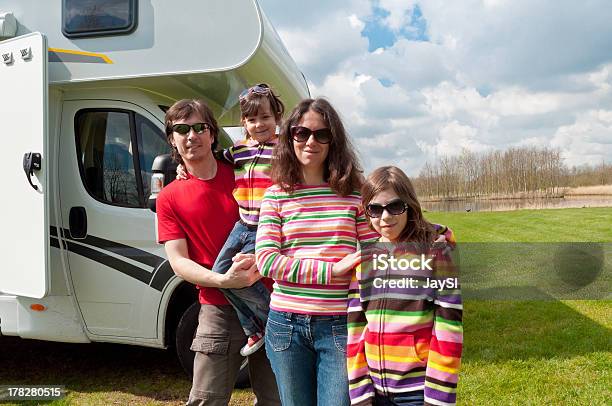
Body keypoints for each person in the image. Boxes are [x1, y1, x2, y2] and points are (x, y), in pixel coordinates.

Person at [156, 99, 281, 406]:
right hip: (217, 308)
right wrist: (224, 280)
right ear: (171, 138)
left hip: (274, 305)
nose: (191, 136)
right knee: (206, 400)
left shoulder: (246, 172)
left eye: (200, 127)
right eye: (181, 129)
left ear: (213, 134)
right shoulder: (169, 197)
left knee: (277, 400)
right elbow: (178, 261)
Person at [177, 83, 284, 356]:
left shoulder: (285, 151)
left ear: (277, 118)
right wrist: (181, 166)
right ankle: (257, 328)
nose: (259, 124)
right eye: (251, 119)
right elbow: (208, 159)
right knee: (221, 273)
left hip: (266, 226)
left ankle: (274, 321)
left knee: (242, 275)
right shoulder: (238, 150)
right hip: (242, 224)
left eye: (265, 118)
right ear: (243, 123)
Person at [347, 166, 463, 406]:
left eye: (395, 206)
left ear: (409, 206)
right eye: (375, 209)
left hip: (420, 392)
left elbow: (448, 327)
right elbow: (356, 329)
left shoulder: (437, 253)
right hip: (376, 392)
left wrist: (438, 397)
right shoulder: (363, 259)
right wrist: (360, 392)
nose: (386, 217)